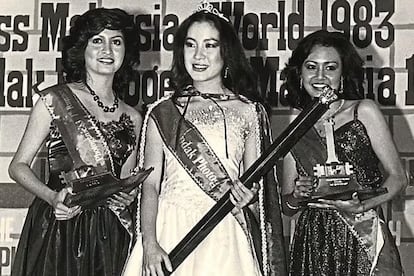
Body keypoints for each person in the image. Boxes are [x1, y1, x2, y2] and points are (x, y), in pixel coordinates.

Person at [123, 4, 286, 276]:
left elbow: (258, 185)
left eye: (210, 45)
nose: (198, 55)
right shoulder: (162, 111)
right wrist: (149, 242)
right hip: (170, 228)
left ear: (227, 52)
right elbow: (149, 185)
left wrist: (249, 198)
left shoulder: (249, 111)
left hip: (225, 230)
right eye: (190, 44)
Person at [9, 8, 142, 276]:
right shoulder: (54, 100)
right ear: (82, 48)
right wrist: (51, 198)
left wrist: (129, 195)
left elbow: (126, 178)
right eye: (97, 40)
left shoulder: (134, 116)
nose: (107, 49)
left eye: (116, 41)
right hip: (61, 224)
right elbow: (17, 166)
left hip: (110, 233)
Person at [281, 29, 407, 276]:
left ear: (343, 74)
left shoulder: (363, 111)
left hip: (363, 234)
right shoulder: (294, 129)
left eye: (330, 67)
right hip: (312, 242)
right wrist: (297, 194)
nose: (320, 76)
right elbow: (287, 207)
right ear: (299, 74)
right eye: (311, 67)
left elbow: (399, 178)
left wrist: (363, 206)